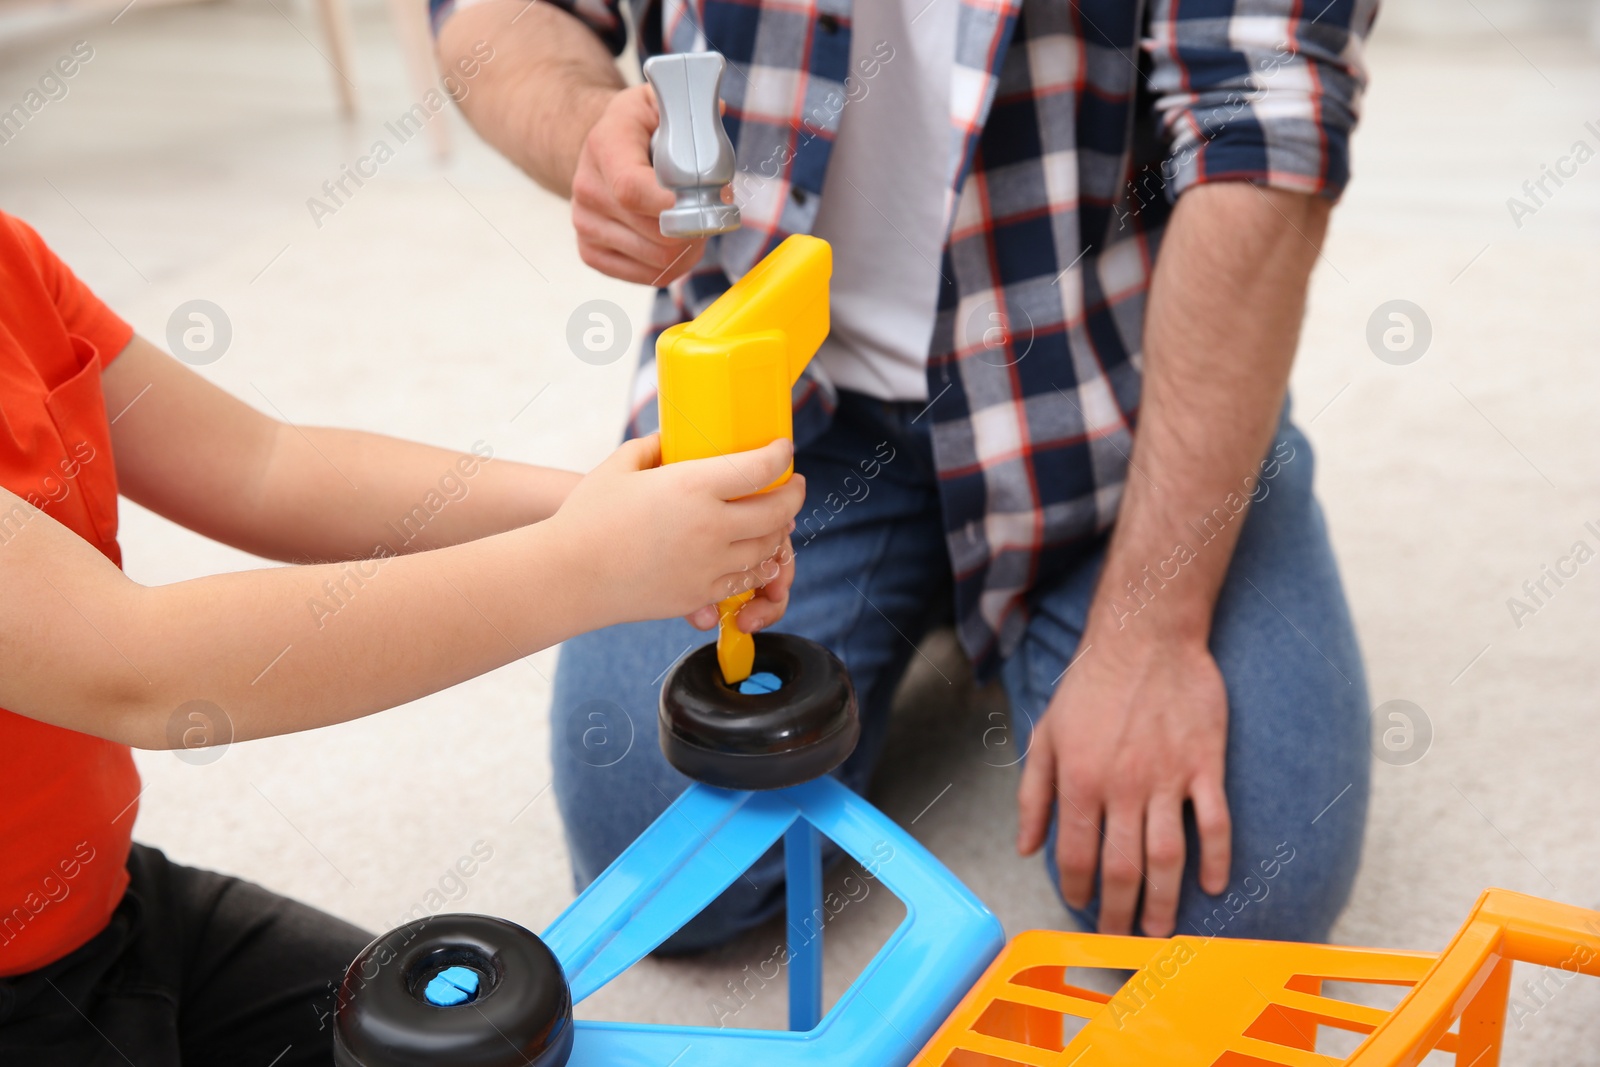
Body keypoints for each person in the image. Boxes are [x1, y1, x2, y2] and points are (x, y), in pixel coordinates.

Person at [434, 0, 1378, 949]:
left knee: (1238, 897)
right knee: (661, 867)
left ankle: (1031, 585)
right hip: (791, 419)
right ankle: (922, 591)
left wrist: (1152, 630)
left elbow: (1262, 116)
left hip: (1108, 410)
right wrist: (584, 133)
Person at [0, 208, 801, 1065]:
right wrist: (583, 566)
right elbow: (143, 670)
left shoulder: (13, 262)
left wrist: (625, 514)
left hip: (106, 912)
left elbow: (260, 464)